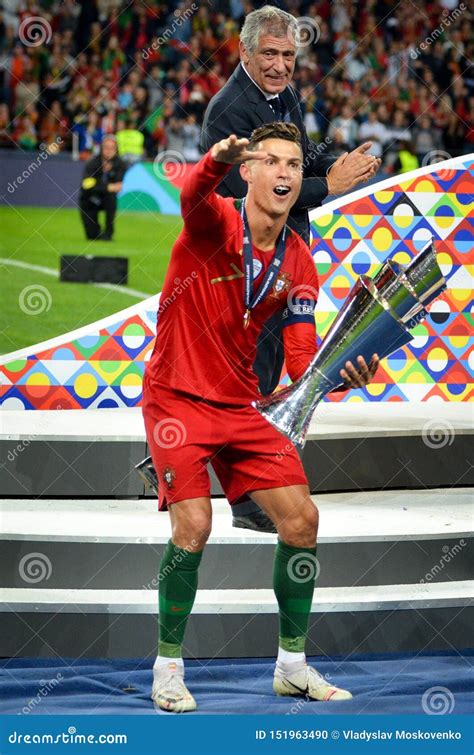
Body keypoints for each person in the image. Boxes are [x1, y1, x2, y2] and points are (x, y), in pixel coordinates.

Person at [142, 122, 379, 713]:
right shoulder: (214, 222)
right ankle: (167, 669)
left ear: (302, 179)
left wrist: (339, 373)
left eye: (294, 165)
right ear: (247, 172)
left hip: (243, 405)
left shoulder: (299, 260)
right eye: (270, 161)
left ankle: (292, 668)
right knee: (193, 527)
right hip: (177, 398)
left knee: (302, 521)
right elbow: (190, 197)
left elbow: (301, 358)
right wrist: (212, 161)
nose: (283, 173)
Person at [199, 5, 381, 533]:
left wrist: (334, 167)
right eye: (270, 55)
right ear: (244, 52)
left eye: (288, 56)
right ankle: (239, 494)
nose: (280, 65)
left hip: (286, 257)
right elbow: (251, 193)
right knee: (248, 372)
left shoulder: (285, 96)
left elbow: (295, 167)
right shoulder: (227, 111)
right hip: (248, 266)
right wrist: (332, 187)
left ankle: (252, 480)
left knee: (272, 365)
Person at [79, 135, 126, 241]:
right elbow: (87, 185)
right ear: (101, 148)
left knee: (111, 198)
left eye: (112, 148)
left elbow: (118, 186)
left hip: (107, 198)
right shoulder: (92, 162)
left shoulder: (120, 164)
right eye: (106, 147)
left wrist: (100, 184)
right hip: (89, 197)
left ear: (116, 149)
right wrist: (108, 186)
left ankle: (109, 233)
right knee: (91, 236)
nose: (109, 151)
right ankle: (96, 231)